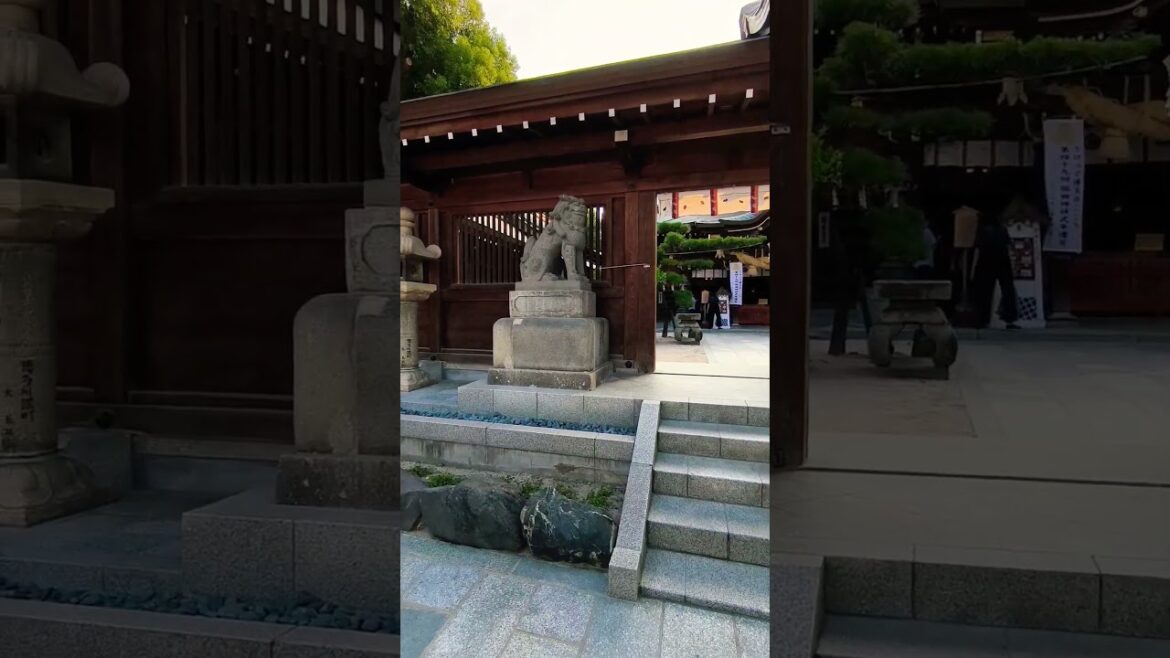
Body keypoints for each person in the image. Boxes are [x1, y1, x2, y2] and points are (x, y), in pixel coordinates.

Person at [971, 213, 1020, 330]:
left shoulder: (982, 231)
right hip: (1003, 261)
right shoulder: (1002, 230)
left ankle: (982, 319)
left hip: (986, 262)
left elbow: (977, 250)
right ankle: (1010, 319)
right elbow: (1010, 246)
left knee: (985, 292)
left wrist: (973, 269)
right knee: (1008, 290)